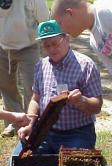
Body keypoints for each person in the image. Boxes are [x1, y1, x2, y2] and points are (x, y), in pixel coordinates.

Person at [51, 0, 112, 166]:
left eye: (60, 24)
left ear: (69, 13)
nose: (61, 31)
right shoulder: (95, 40)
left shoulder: (107, 12)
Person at [15, 19, 102, 156]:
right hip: (45, 131)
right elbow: (35, 100)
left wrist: (82, 101)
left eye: (55, 43)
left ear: (67, 39)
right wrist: (30, 125)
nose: (51, 49)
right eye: (46, 45)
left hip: (77, 133)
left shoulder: (86, 66)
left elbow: (97, 106)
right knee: (18, 160)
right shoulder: (41, 66)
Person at [0, 0, 49, 137]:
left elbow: (45, 20)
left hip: (29, 46)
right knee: (6, 86)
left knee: (32, 86)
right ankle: (13, 123)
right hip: (2, 46)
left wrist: (48, 53)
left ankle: (31, 122)